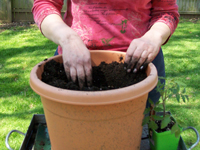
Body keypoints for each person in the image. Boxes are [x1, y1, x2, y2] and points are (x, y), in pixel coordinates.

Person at [32, 0, 179, 107]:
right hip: (75, 64)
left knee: (138, 136)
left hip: (140, 66)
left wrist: (154, 36)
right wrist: (68, 38)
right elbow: (44, 4)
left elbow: (166, 11)